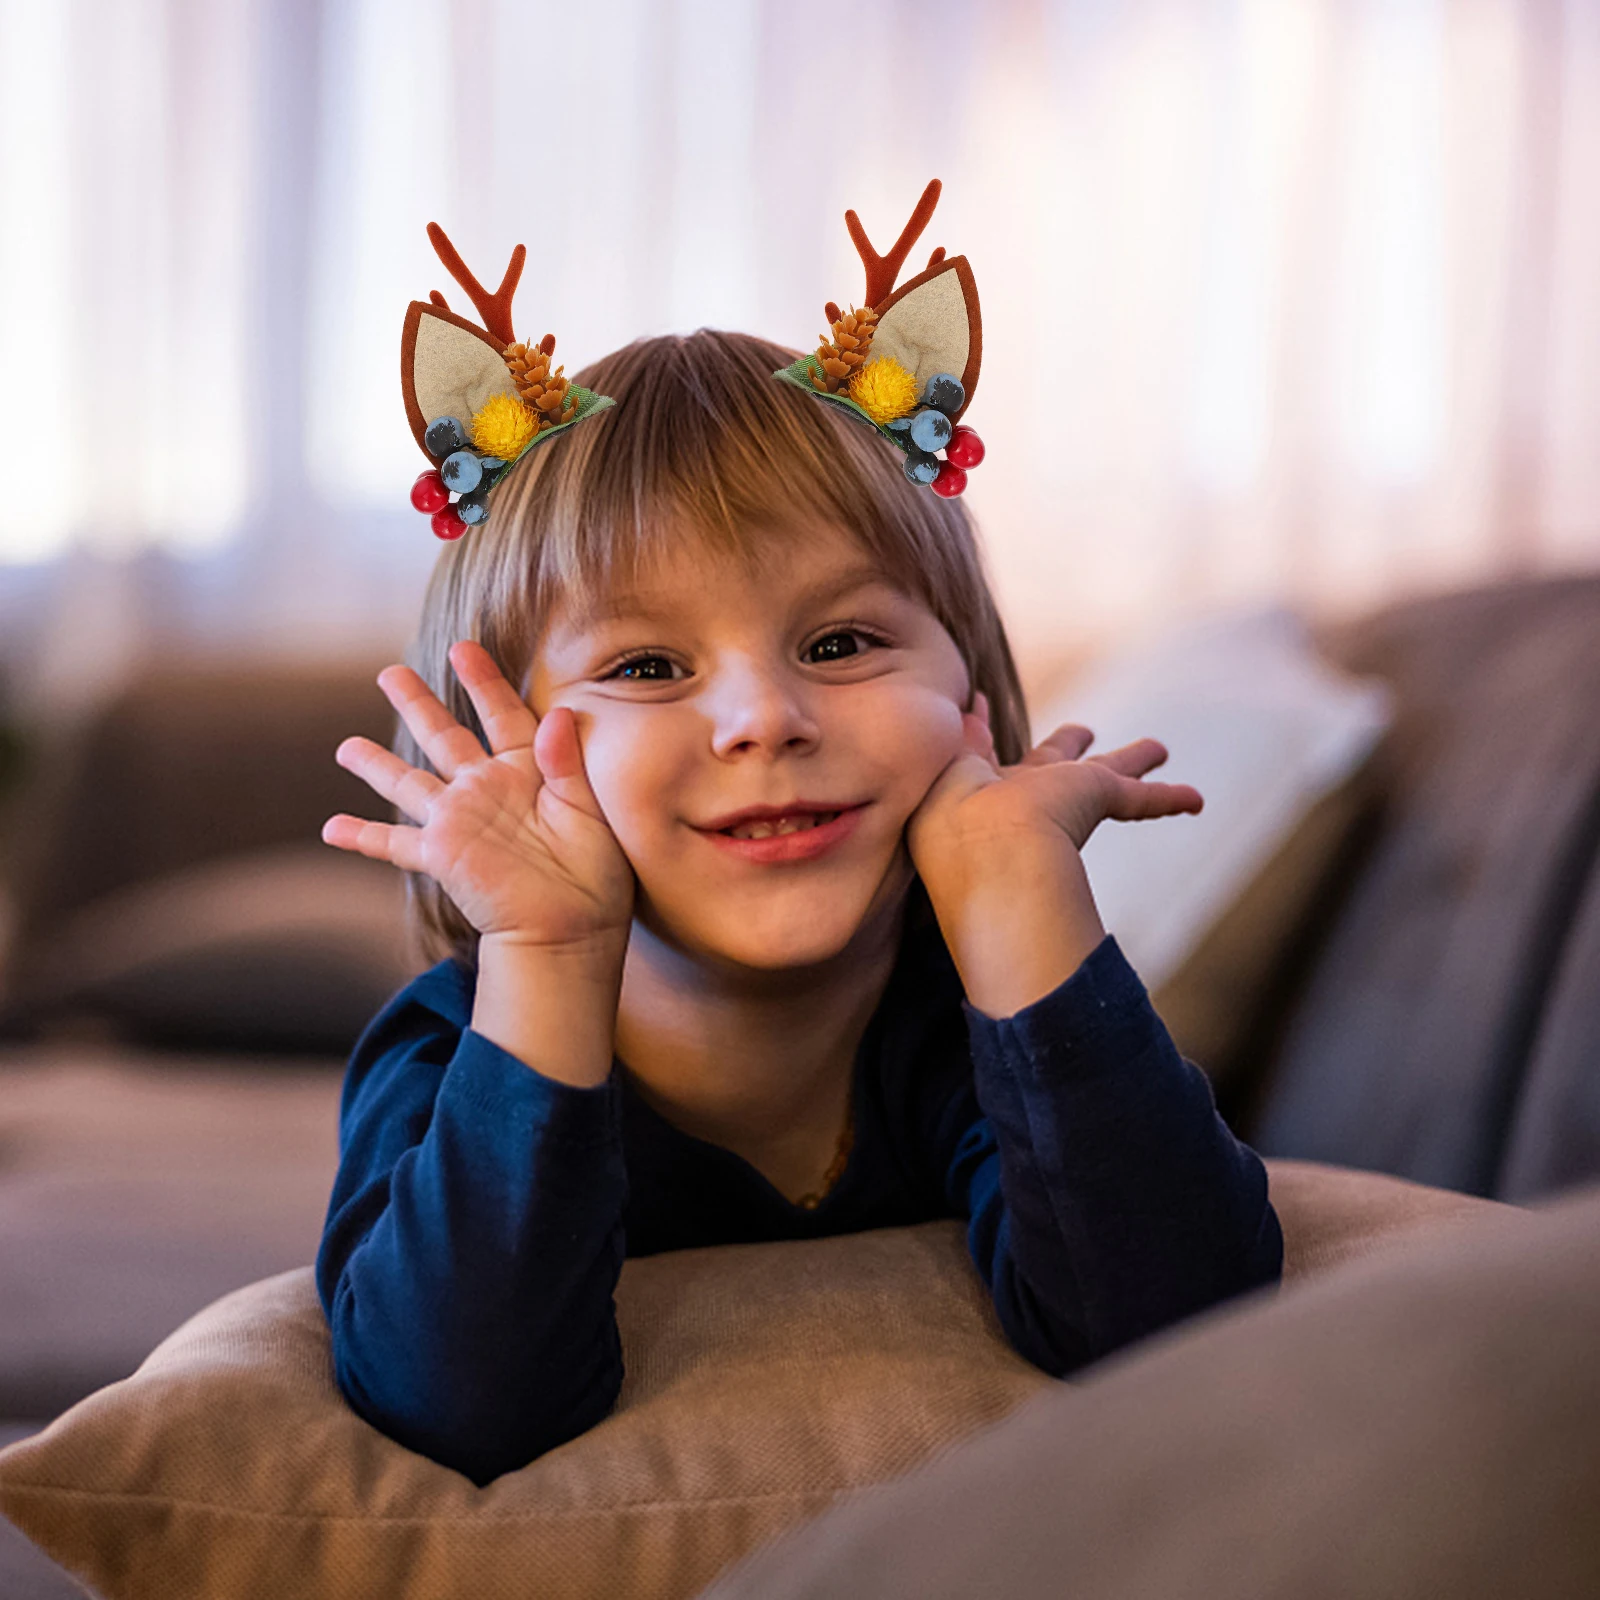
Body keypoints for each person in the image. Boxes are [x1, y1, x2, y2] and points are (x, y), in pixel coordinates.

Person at [315, 329, 1283, 1487]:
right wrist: (550, 952)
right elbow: (460, 1403)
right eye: (646, 667)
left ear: (971, 699)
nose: (764, 717)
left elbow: (1182, 1329)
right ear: (497, 752)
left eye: (839, 642)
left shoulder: (969, 1021)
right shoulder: (448, 1047)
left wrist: (1023, 902)